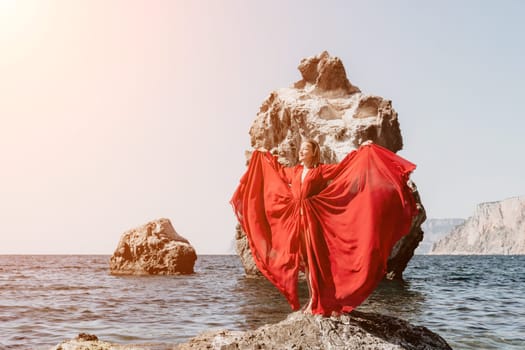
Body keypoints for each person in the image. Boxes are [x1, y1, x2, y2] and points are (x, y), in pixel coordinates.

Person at [230, 139, 418, 316]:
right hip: (295, 221)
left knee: (314, 262)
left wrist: (361, 151)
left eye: (306, 149)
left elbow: (342, 168)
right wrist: (264, 155)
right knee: (305, 261)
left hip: (313, 222)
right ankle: (314, 299)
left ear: (313, 153)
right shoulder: (294, 171)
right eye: (301, 148)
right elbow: (277, 170)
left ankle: (316, 301)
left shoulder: (320, 171)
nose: (302, 151)